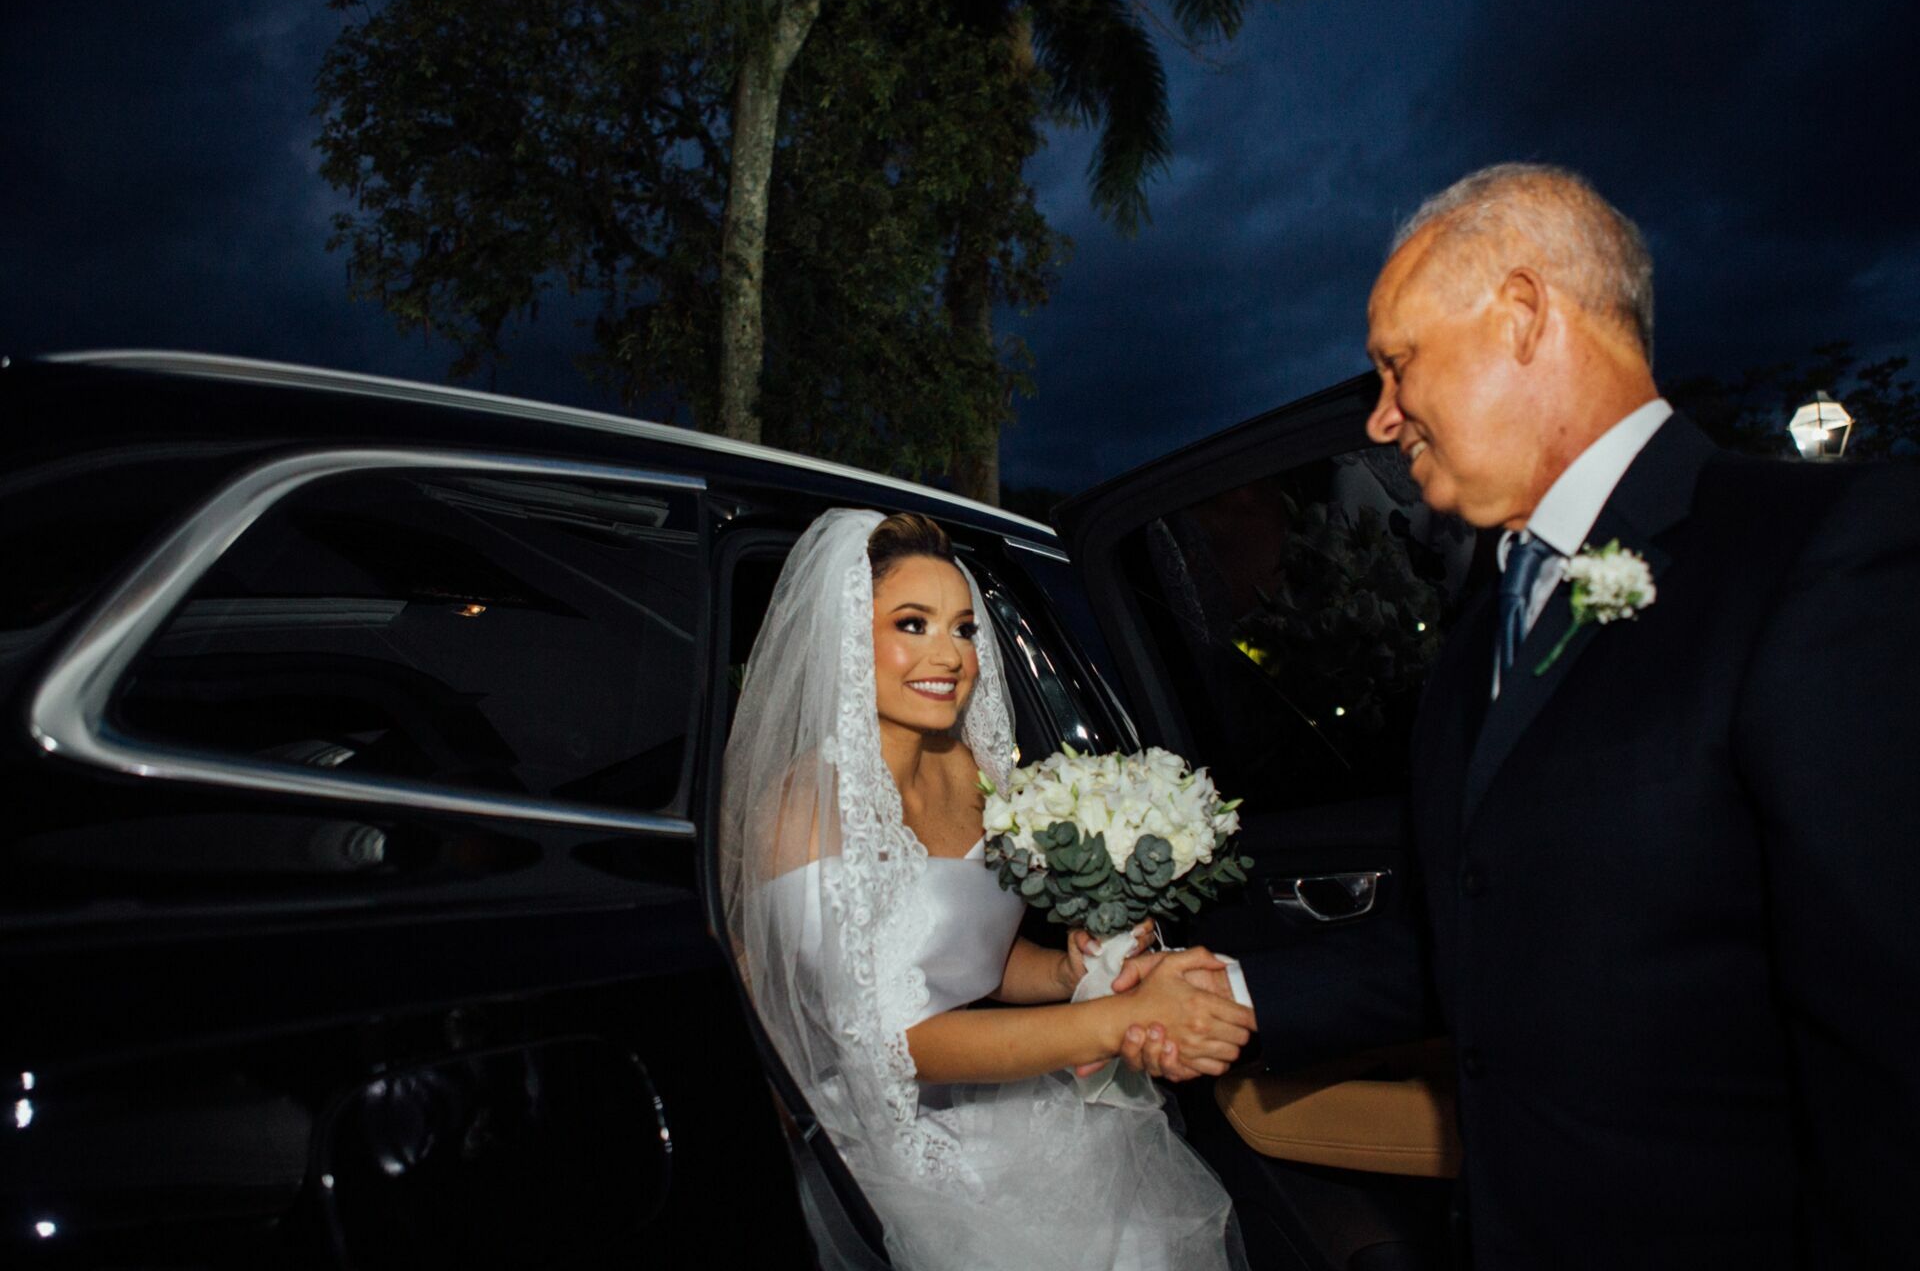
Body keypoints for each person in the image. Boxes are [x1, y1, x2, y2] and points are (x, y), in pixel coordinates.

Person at [1118, 164, 1920, 1266]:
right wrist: (1233, 986)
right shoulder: (1486, 623)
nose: (1382, 414)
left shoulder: (1814, 555)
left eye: (1397, 363)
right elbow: (1481, 936)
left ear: (1525, 314)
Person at [718, 508, 1256, 1270]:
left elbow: (970, 963)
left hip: (1001, 1099)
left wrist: (1067, 973)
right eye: (913, 624)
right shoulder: (805, 807)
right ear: (844, 636)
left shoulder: (978, 773)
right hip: (892, 1148)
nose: (949, 655)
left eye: (964, 629)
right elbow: (896, 1042)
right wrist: (1118, 1019)